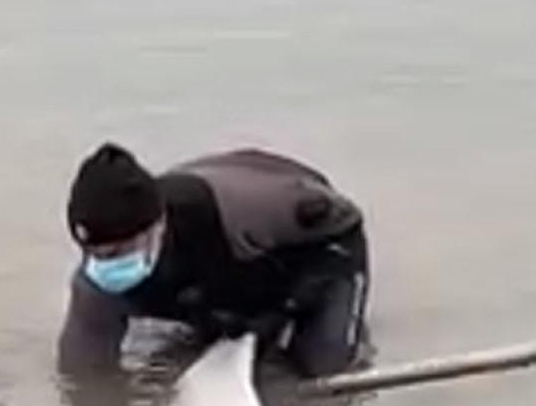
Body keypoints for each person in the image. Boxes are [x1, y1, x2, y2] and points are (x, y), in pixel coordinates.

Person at [56, 142, 371, 379]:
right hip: (214, 271)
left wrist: (292, 303)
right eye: (94, 254)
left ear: (158, 225)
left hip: (307, 241)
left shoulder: (263, 209)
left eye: (118, 252)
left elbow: (346, 226)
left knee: (324, 366)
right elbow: (83, 376)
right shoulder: (96, 282)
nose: (106, 265)